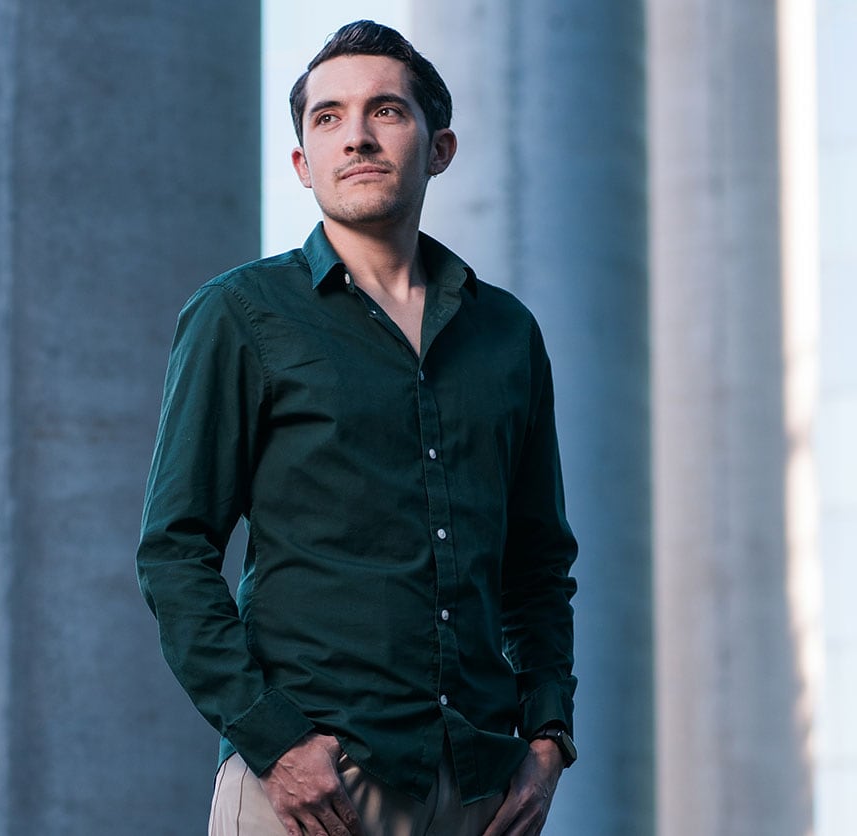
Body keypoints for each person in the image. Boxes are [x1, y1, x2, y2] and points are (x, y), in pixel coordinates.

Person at [137, 20, 578, 836]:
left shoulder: (507, 335)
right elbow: (174, 551)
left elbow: (539, 563)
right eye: (328, 118)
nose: (358, 136)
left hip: (480, 791)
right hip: (313, 785)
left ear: (439, 148)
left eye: (388, 111)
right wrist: (273, 741)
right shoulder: (241, 315)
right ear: (303, 164)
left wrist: (548, 738)